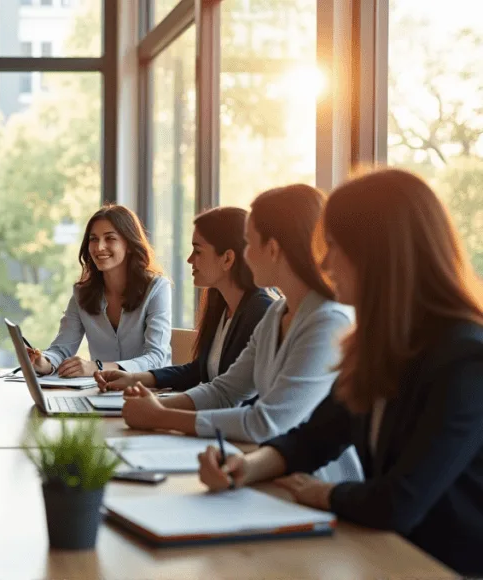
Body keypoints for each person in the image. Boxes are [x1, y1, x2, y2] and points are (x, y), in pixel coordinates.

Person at [197, 169, 483, 576]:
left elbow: (400, 501)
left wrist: (323, 493)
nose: (325, 263)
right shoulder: (377, 344)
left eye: (333, 247)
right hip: (389, 554)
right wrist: (248, 467)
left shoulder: (465, 360)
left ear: (378, 255)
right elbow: (317, 437)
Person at [108, 186, 358, 467]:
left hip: (315, 484)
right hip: (263, 468)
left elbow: (267, 422)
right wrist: (150, 407)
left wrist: (160, 416)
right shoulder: (277, 312)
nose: (244, 255)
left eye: (249, 244)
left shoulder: (328, 321)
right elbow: (224, 391)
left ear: (273, 249)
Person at [95, 207, 275, 392]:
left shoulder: (261, 313)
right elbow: (197, 371)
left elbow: (234, 396)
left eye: (198, 251)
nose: (189, 259)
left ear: (227, 259)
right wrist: (135, 379)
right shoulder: (221, 305)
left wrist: (165, 410)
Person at [25, 204, 171, 377]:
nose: (99, 247)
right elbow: (62, 349)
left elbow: (156, 358)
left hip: (151, 393)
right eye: (93, 239)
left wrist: (98, 367)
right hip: (103, 392)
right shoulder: (82, 293)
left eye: (110, 238)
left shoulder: (156, 288)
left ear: (130, 244)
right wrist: (44, 362)